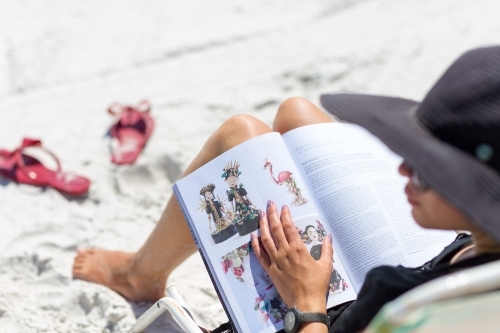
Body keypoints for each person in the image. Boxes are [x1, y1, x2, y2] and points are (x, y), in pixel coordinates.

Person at [73, 46, 500, 333]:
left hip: (319, 315)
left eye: (428, 169)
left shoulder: (453, 313)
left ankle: (139, 275)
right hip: (419, 263)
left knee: (239, 138)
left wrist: (307, 303)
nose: (406, 169)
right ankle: (142, 272)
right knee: (296, 114)